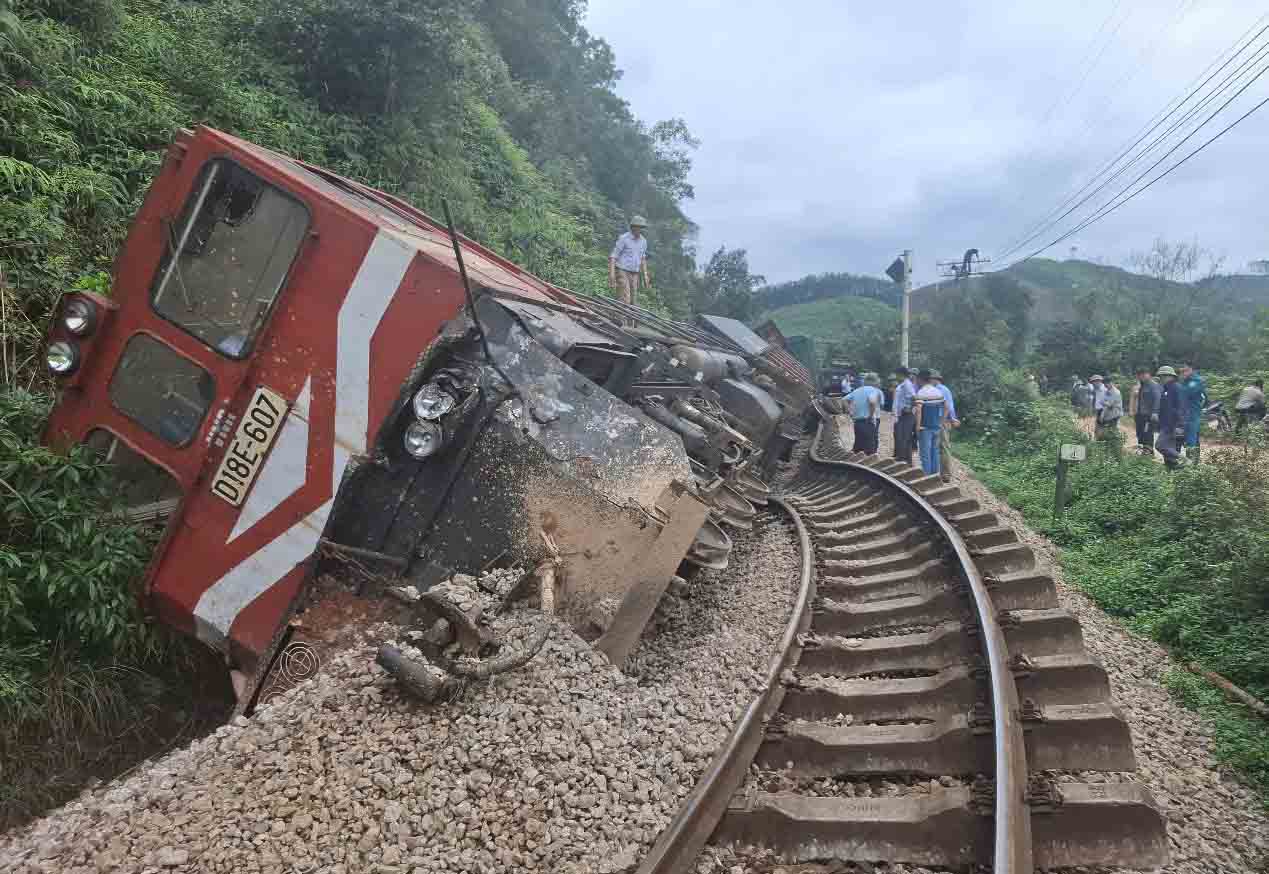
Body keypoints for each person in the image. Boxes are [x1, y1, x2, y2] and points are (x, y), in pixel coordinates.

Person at [608, 216, 650, 306]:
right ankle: (621, 320)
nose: (639, 229)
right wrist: (612, 274)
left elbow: (643, 258)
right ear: (633, 227)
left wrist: (645, 275)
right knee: (624, 298)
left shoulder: (643, 241)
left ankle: (629, 320)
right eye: (638, 227)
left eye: (641, 227)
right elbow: (613, 256)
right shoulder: (624, 238)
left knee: (633, 301)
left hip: (635, 273)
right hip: (622, 270)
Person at [913, 370, 945, 476]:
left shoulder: (921, 392)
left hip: (925, 427)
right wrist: (941, 421)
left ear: (920, 379)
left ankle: (926, 477)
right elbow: (946, 407)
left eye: (917, 378)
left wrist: (917, 427)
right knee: (935, 452)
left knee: (925, 454)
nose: (916, 380)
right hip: (936, 426)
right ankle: (935, 475)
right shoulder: (938, 392)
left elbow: (919, 410)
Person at [930, 370, 959, 483]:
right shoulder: (942, 389)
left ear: (935, 379)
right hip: (940, 420)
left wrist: (952, 419)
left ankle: (945, 475)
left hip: (942, 421)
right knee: (939, 447)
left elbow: (949, 406)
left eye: (930, 379)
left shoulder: (941, 389)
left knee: (943, 447)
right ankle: (939, 473)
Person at [845, 372, 884, 454]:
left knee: (858, 445)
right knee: (870, 448)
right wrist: (870, 415)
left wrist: (850, 412)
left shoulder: (857, 390)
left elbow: (844, 400)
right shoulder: (875, 390)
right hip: (869, 421)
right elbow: (872, 402)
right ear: (875, 381)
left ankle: (856, 464)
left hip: (858, 422)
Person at [1155, 366, 1185, 469]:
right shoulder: (1166, 389)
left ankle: (1184, 459)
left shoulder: (1176, 388)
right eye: (1160, 377)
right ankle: (1174, 474)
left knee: (1160, 445)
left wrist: (1180, 425)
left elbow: (1181, 407)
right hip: (1166, 425)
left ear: (1170, 376)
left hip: (1173, 425)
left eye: (1163, 376)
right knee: (1168, 455)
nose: (1161, 379)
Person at [1178, 363, 1207, 462]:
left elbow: (1185, 393)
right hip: (1186, 414)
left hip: (1192, 414)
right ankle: (1194, 462)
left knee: (1191, 440)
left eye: (1185, 371)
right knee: (1191, 439)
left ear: (1191, 369)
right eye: (1181, 371)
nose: (1182, 373)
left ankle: (1191, 464)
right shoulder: (1185, 381)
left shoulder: (1196, 381)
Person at [1133, 367, 1161, 456]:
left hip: (1149, 415)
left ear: (1148, 374)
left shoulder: (1153, 385)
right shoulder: (1142, 385)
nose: (1141, 377)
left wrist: (1155, 412)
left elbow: (1157, 399)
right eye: (1139, 375)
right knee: (1140, 433)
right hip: (1140, 414)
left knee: (1147, 433)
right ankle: (1143, 450)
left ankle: (1148, 452)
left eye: (1143, 374)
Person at [892, 366, 917, 463]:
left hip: (906, 415)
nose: (896, 377)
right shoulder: (903, 384)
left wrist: (909, 408)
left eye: (897, 375)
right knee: (901, 436)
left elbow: (914, 398)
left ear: (901, 374)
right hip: (902, 415)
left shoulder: (907, 384)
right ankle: (902, 458)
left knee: (904, 437)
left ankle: (905, 460)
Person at [1096, 375, 1124, 452]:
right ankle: (1109, 448)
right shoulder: (1106, 392)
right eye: (1104, 384)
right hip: (1108, 415)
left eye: (1107, 384)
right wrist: (1102, 415)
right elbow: (1104, 403)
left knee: (1114, 432)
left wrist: (1104, 402)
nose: (1105, 386)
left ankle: (1117, 448)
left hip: (1115, 415)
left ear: (1111, 383)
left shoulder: (1116, 392)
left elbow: (1109, 405)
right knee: (1107, 432)